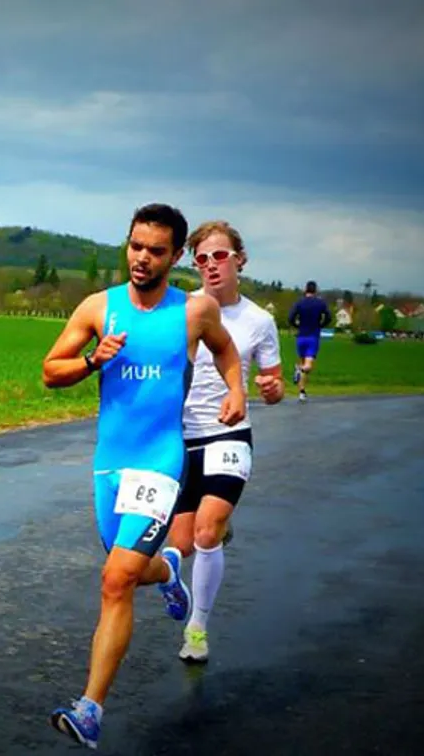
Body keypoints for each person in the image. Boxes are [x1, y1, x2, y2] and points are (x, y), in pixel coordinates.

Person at [41, 203, 246, 750]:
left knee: (114, 580)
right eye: (135, 246)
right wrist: (92, 361)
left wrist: (236, 390)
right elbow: (49, 370)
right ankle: (169, 570)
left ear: (175, 256)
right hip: (109, 464)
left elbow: (226, 351)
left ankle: (91, 709)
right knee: (131, 570)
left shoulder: (194, 311)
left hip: (160, 460)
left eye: (155, 250)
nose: (142, 258)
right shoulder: (98, 307)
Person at [170, 221, 285, 664]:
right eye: (201, 258)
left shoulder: (259, 321)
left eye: (220, 255)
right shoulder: (183, 310)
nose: (211, 265)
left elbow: (271, 383)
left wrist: (271, 391)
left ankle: (197, 628)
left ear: (240, 258)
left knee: (206, 529)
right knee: (178, 545)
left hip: (229, 432)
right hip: (182, 436)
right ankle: (214, 527)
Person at [287, 281, 331, 402]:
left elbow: (290, 318)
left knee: (303, 363)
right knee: (308, 366)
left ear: (305, 290)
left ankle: (302, 392)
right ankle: (299, 370)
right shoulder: (320, 303)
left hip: (301, 336)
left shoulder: (299, 303)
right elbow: (328, 317)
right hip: (313, 336)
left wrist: (297, 326)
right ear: (315, 290)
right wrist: (320, 325)